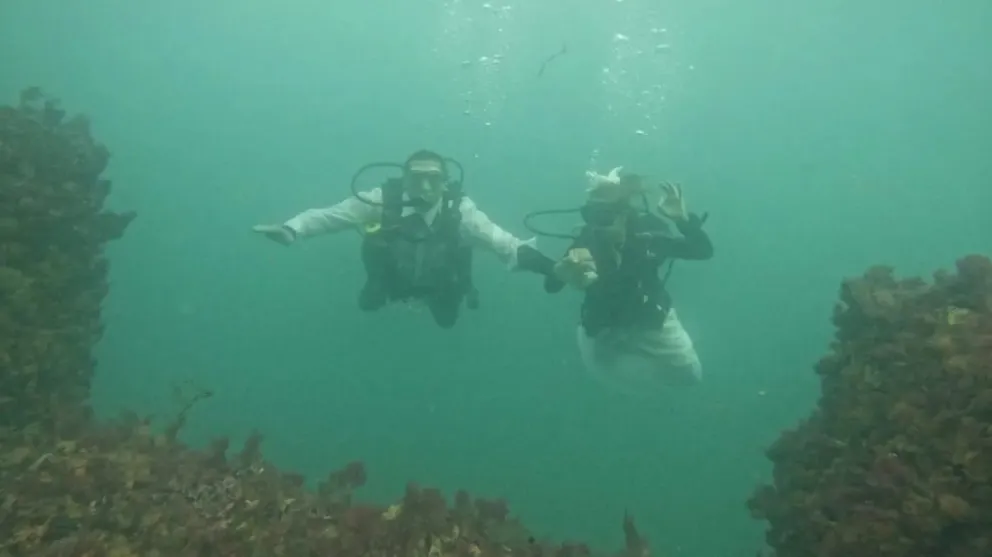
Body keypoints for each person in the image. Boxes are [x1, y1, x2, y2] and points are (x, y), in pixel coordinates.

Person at [253, 149, 556, 329]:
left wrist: (551, 268)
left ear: (445, 182)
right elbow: (331, 217)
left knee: (447, 322)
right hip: (389, 281)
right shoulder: (381, 200)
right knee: (368, 306)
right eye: (416, 178)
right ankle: (379, 287)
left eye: (433, 179)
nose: (424, 187)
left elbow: (504, 243)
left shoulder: (461, 211)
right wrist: (291, 229)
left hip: (442, 286)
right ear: (405, 178)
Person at [527, 166, 713, 392]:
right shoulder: (588, 240)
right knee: (602, 377)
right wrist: (558, 272)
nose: (595, 225)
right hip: (602, 320)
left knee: (691, 374)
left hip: (650, 316)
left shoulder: (649, 234)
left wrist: (683, 220)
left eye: (603, 217)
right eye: (590, 216)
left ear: (625, 214)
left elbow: (701, 251)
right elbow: (552, 286)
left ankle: (652, 393)